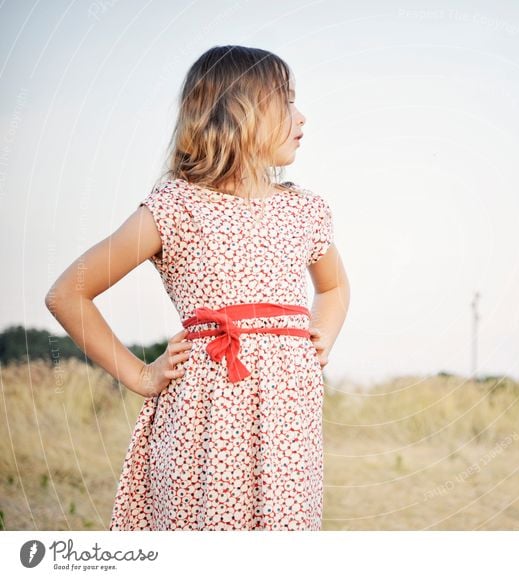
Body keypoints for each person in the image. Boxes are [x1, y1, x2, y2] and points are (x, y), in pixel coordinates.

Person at [44, 45, 350, 530]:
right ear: (240, 111)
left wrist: (323, 335)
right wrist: (141, 376)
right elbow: (67, 294)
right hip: (205, 419)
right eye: (287, 102)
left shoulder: (305, 211)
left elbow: (332, 290)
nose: (303, 116)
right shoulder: (175, 207)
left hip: (290, 422)